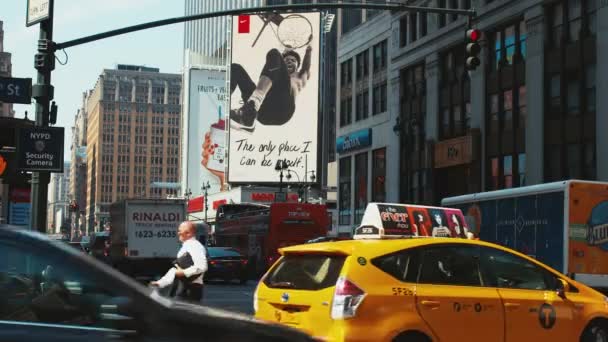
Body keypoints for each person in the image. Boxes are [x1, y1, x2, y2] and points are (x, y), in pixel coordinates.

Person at [229, 44, 313, 133]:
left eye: (293, 60)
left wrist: (309, 50)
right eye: (287, 60)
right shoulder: (274, 74)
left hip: (283, 109)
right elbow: (276, 63)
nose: (289, 61)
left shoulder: (299, 77)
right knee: (235, 68)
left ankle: (254, 103)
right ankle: (246, 117)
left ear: (297, 66)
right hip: (263, 114)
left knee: (274, 52)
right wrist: (283, 54)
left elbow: (306, 68)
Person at [150, 221, 208, 303]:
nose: (178, 233)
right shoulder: (187, 245)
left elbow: (202, 267)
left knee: (182, 312)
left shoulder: (195, 246)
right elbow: (175, 269)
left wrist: (183, 272)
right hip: (184, 286)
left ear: (188, 233)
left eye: (180, 231)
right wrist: (160, 283)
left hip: (191, 289)